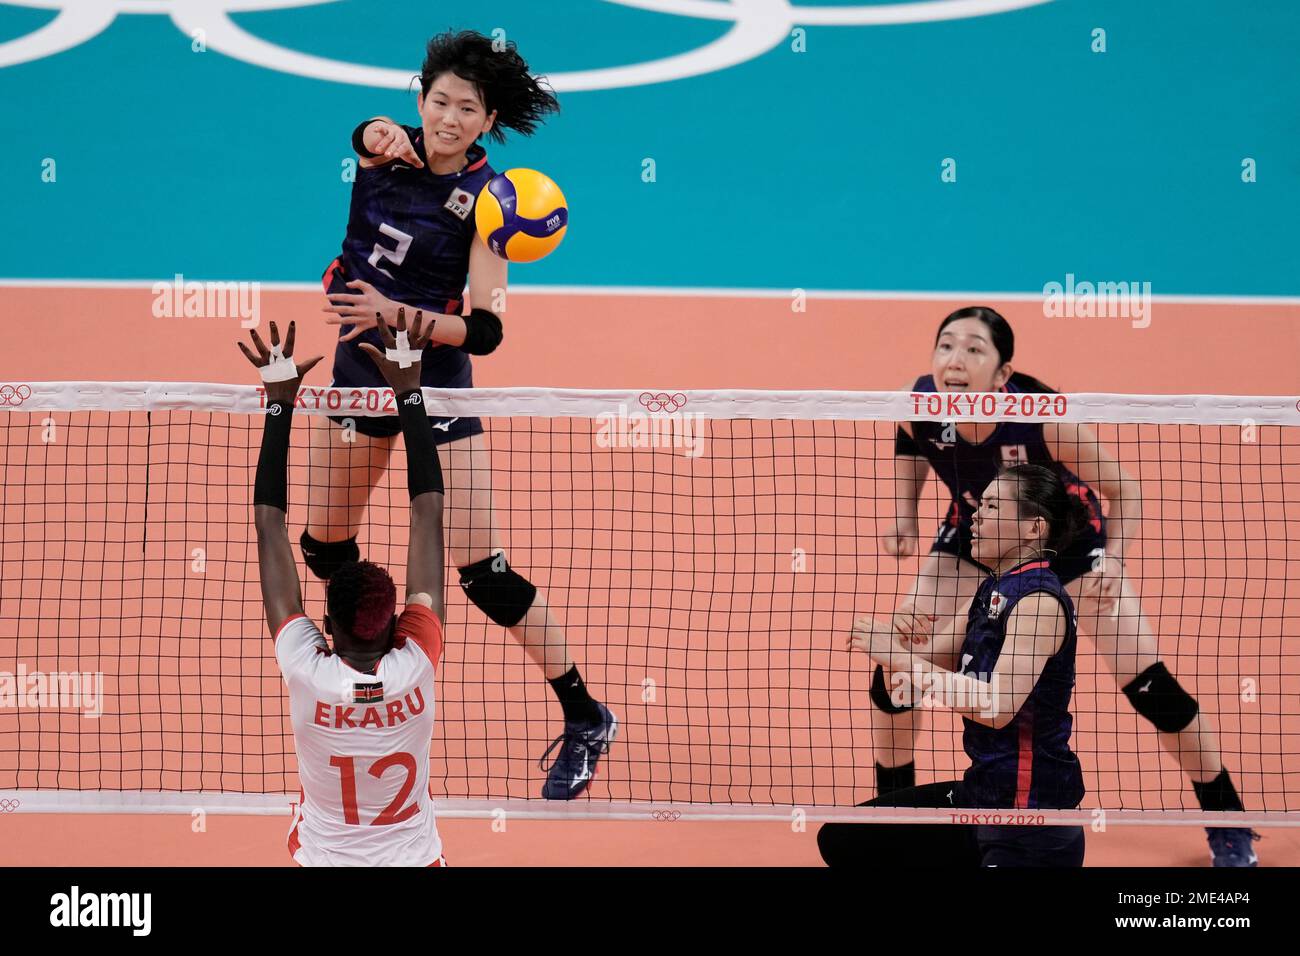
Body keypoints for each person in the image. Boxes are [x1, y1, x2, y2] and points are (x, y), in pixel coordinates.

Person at [310, 30, 616, 798]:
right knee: (324, 547)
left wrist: (398, 312)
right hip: (358, 379)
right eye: (439, 101)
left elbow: (487, 329)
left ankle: (586, 714)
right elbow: (361, 132)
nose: (449, 118)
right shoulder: (383, 147)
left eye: (467, 109)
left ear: (487, 121)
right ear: (419, 99)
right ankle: (370, 664)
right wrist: (364, 130)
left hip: (436, 389)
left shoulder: (491, 202)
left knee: (483, 571)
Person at [872, 306, 1257, 865]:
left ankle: (1229, 822)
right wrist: (905, 512)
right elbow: (911, 437)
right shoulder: (925, 401)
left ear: (1003, 374)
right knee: (895, 672)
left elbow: (1125, 490)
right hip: (974, 539)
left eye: (974, 350)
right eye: (945, 346)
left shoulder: (1044, 420)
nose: (954, 361)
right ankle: (891, 821)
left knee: (1153, 690)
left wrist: (1115, 562)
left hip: (1073, 552)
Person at [242, 314, 452, 865]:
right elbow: (428, 515)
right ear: (396, 627)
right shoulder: (416, 663)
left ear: (326, 629)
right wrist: (410, 391)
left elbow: (270, 526)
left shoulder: (309, 670)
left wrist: (279, 403)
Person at [822, 464, 1090, 867]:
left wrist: (898, 656)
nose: (976, 516)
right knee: (846, 837)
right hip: (979, 797)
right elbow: (901, 689)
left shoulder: (1038, 603)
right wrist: (896, 641)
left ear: (1034, 528)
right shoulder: (990, 590)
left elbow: (997, 709)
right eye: (980, 504)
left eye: (993, 506)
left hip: (1028, 818)